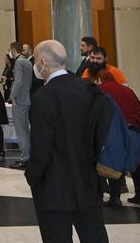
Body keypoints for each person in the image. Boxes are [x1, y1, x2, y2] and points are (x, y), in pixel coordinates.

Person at [26, 40, 111, 243]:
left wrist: (32, 175)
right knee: (94, 236)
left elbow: (41, 147)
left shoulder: (43, 97)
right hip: (89, 180)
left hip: (53, 186)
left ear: (42, 62)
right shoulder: (90, 89)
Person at [95, 70, 140, 207]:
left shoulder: (100, 90)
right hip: (138, 127)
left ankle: (115, 197)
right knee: (139, 164)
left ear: (99, 79)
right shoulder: (127, 90)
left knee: (115, 162)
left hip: (117, 128)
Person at [7, 42, 34, 170]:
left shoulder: (19, 62)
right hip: (26, 98)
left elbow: (18, 82)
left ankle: (25, 158)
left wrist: (12, 96)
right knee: (25, 130)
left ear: (13, 50)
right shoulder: (27, 62)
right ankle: (27, 156)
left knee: (21, 131)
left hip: (19, 99)